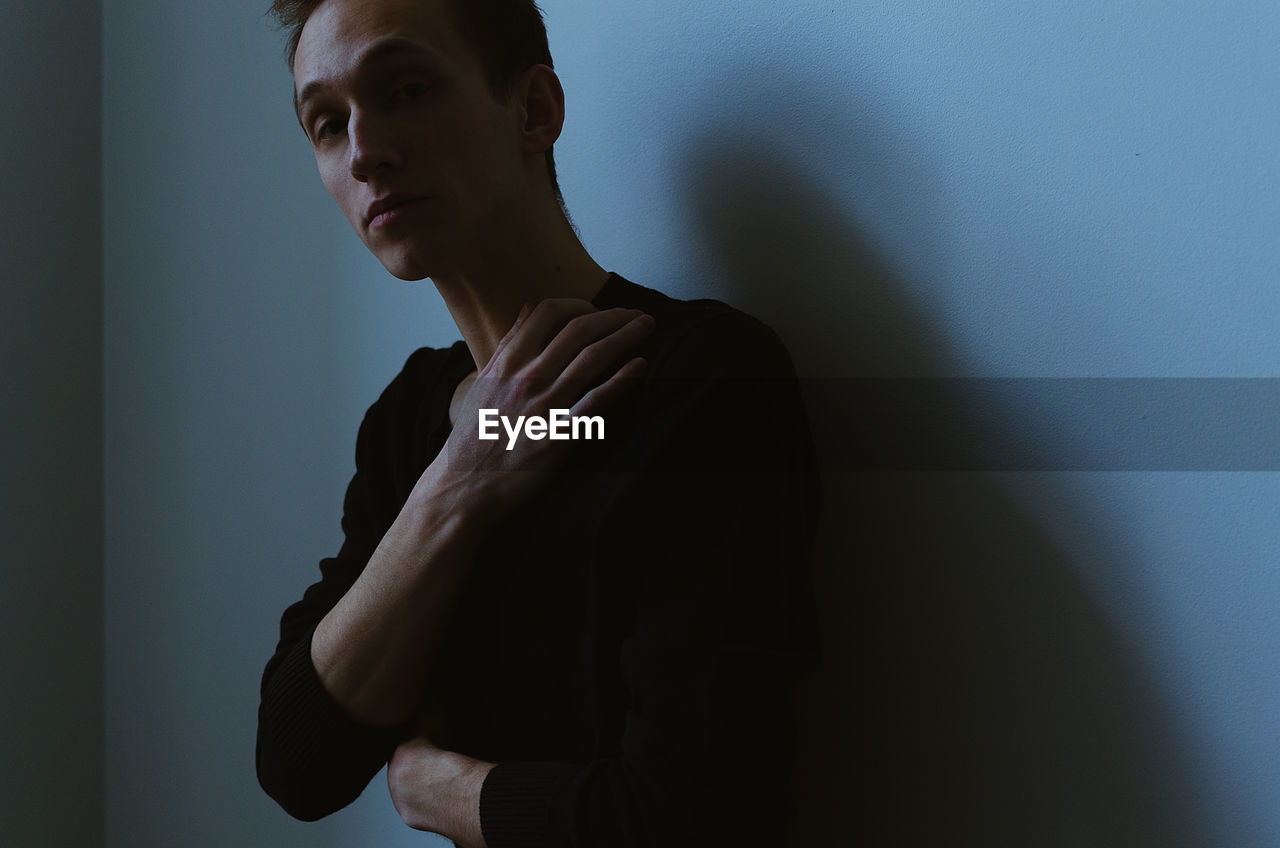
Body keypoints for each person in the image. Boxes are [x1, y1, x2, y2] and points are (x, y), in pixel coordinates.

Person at [254, 0, 820, 845]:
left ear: (534, 110)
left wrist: (447, 792)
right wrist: (457, 485)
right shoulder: (410, 421)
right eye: (329, 124)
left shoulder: (696, 383)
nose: (365, 153)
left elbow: (698, 816)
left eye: (406, 89)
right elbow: (298, 762)